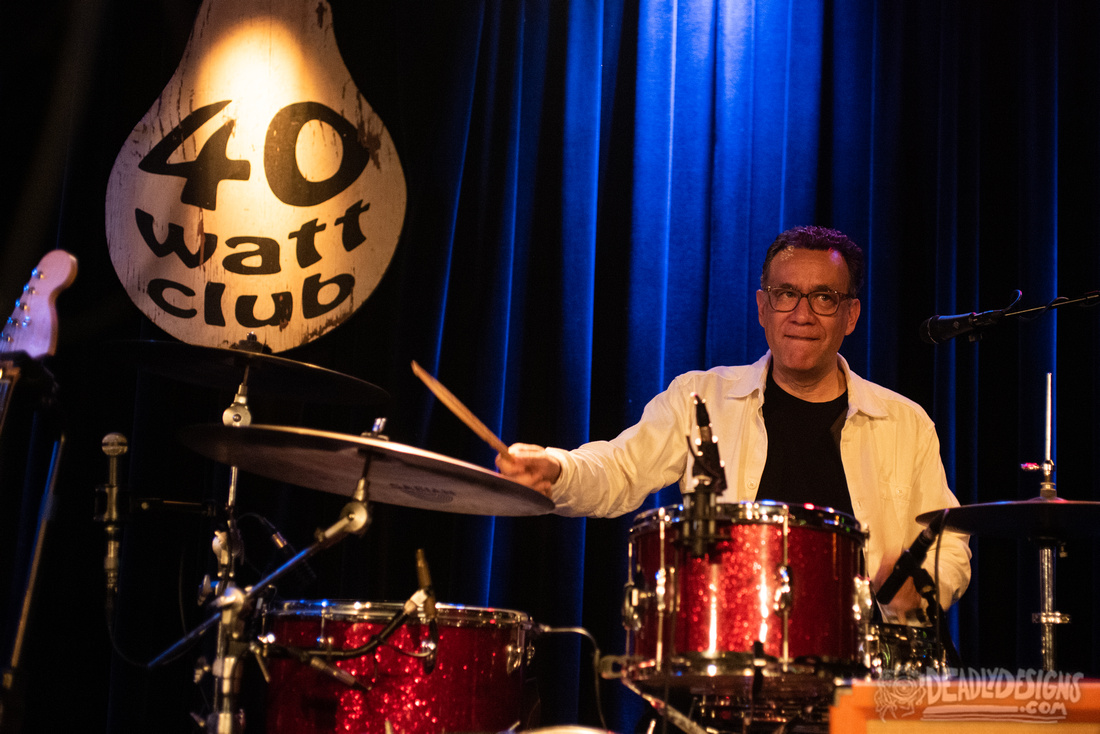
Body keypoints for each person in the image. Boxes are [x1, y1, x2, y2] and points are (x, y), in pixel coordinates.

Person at [497, 225, 970, 619]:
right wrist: (558, 468)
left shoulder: (905, 423)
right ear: (763, 308)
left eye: (824, 297)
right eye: (787, 295)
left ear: (850, 315)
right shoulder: (701, 397)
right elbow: (619, 467)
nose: (802, 314)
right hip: (730, 660)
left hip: (862, 673)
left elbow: (951, 547)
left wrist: (920, 587)